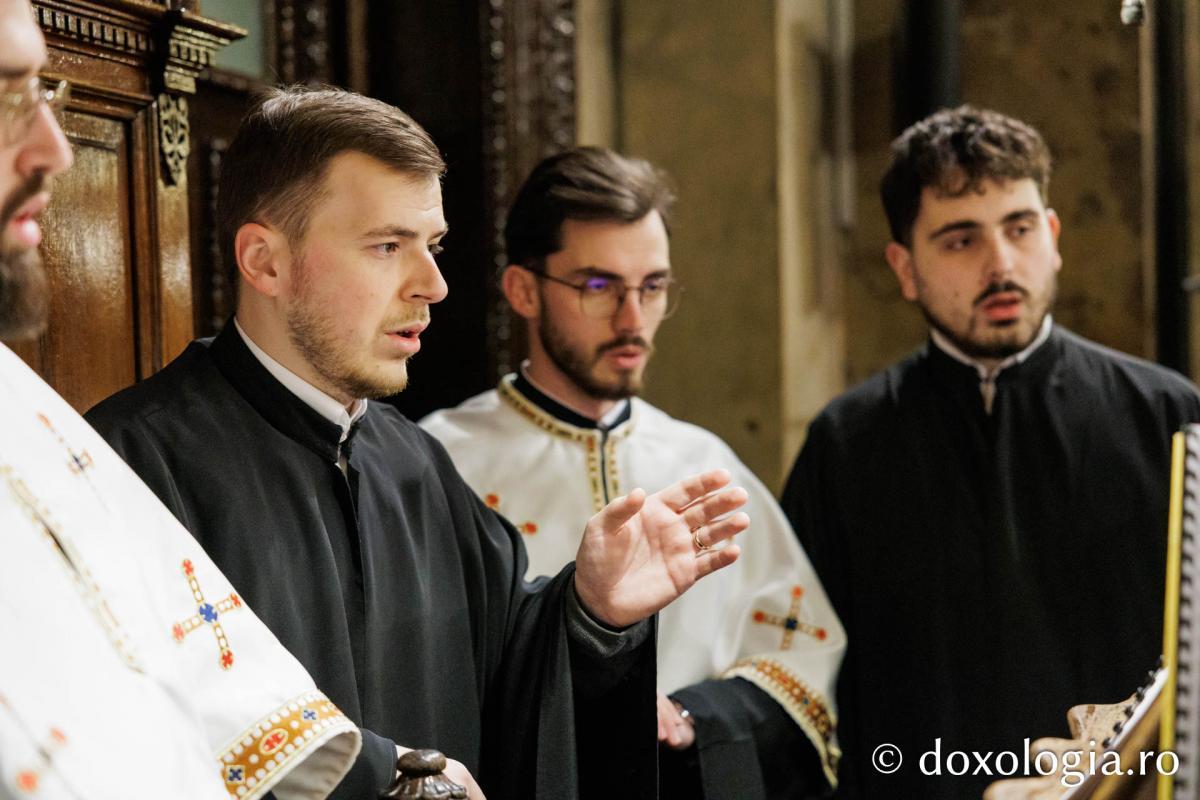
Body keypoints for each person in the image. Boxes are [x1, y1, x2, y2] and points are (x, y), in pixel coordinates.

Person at [85, 87, 750, 800]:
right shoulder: (127, 464)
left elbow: (511, 676)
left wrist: (591, 613)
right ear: (265, 261)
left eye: (431, 247)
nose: (433, 285)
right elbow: (127, 728)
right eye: (387, 246)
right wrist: (379, 774)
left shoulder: (416, 463)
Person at [780, 104, 1200, 798]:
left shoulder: (1168, 417)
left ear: (1053, 237)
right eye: (960, 240)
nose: (1001, 264)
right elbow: (803, 683)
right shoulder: (845, 446)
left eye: (1020, 228)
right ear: (904, 267)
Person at [0, 3, 360, 798]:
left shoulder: (23, 406)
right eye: (4, 96)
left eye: (41, 94)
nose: (55, 150)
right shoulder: (144, 438)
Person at [421, 147, 846, 799]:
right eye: (598, 287)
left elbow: (801, 658)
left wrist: (693, 717)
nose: (632, 319)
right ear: (524, 291)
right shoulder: (441, 461)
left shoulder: (704, 463)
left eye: (652, 287)